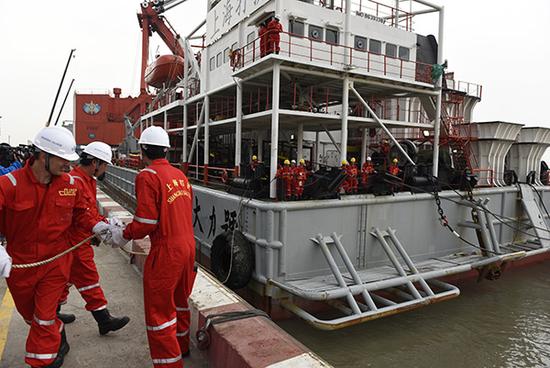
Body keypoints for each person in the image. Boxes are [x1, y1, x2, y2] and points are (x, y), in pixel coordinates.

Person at [0, 126, 113, 368]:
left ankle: (42, 361)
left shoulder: (70, 184)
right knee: (32, 317)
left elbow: (82, 214)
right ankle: (55, 330)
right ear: (43, 156)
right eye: (63, 159)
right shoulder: (8, 185)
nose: (69, 166)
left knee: (44, 319)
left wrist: (98, 227)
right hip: (21, 267)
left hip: (55, 266)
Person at [109, 126, 196, 368]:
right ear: (166, 150)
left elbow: (147, 222)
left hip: (167, 250)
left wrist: (122, 235)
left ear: (143, 149)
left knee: (159, 313)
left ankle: (169, 364)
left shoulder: (148, 176)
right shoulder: (180, 176)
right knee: (180, 301)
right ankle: (183, 347)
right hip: (188, 246)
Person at [57, 141, 130, 335]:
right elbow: (80, 214)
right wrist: (99, 228)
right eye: (105, 164)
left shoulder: (87, 180)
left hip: (79, 239)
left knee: (65, 280)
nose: (106, 169)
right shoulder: (73, 181)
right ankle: (103, 320)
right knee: (88, 279)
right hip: (73, 242)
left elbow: (90, 210)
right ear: (95, 162)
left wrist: (104, 222)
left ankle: (54, 311)